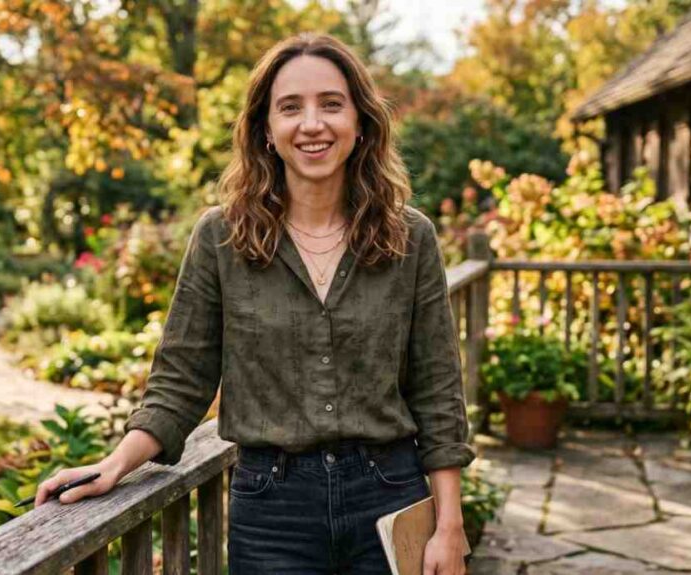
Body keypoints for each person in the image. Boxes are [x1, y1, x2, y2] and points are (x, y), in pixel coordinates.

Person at [34, 32, 474, 574]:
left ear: (360, 122)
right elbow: (181, 380)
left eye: (331, 104)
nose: (312, 124)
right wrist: (115, 464)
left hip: (390, 499)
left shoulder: (410, 238)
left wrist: (449, 525)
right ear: (266, 129)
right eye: (290, 107)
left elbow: (437, 390)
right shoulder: (221, 238)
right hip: (271, 512)